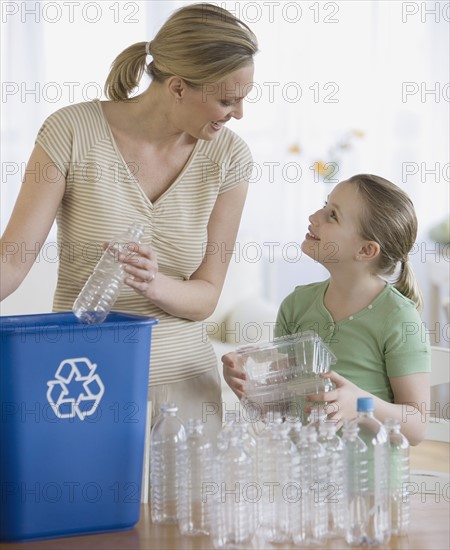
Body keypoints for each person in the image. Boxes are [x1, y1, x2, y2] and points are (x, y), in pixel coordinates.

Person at [0, 3, 258, 440]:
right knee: (87, 506)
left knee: (186, 511)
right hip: (84, 382)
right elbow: (11, 261)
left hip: (186, 392)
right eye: (226, 100)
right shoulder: (72, 131)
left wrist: (154, 284)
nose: (238, 114)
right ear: (177, 87)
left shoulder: (229, 157)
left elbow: (206, 295)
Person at [223, 174, 430, 445]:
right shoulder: (296, 306)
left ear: (366, 250)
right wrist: (245, 386)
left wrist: (361, 404)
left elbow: (416, 427)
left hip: (367, 484)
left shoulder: (398, 318)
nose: (314, 216)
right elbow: (280, 412)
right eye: (325, 205)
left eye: (332, 215)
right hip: (303, 478)